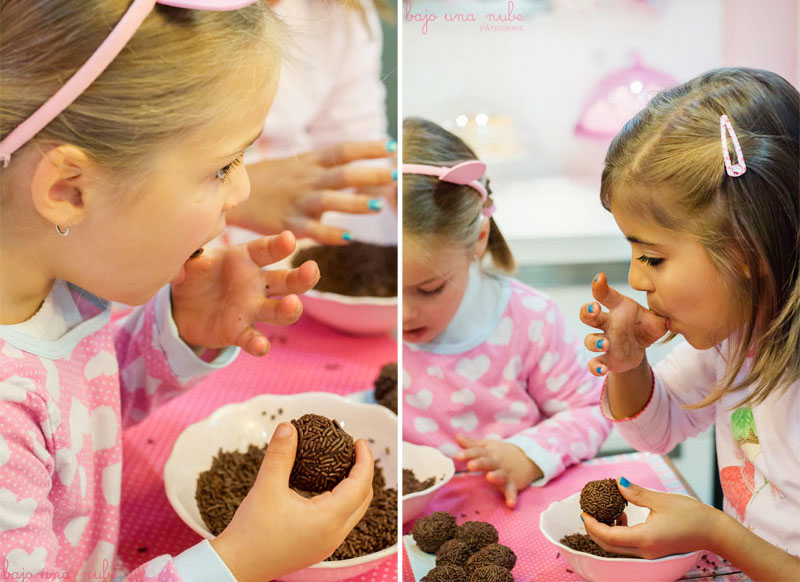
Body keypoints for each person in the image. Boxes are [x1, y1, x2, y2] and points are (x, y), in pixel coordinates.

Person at [0, 2, 374, 582]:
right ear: (69, 189)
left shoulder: (49, 288)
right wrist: (238, 562)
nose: (245, 188)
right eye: (223, 166)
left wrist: (178, 331)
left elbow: (78, 418)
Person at [579, 68, 799, 580]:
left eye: (652, 258)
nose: (636, 279)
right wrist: (631, 364)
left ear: (744, 250)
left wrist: (714, 531)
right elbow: (661, 428)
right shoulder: (732, 334)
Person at [401, 117, 611, 509]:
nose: (403, 314)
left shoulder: (531, 321)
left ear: (478, 240)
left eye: (429, 289)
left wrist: (527, 455)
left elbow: (591, 411)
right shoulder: (374, 329)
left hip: (511, 515)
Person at [223, 0, 398, 246]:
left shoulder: (342, 14)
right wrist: (230, 195)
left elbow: (354, 143)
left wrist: (384, 180)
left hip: (292, 238)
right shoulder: (171, 19)